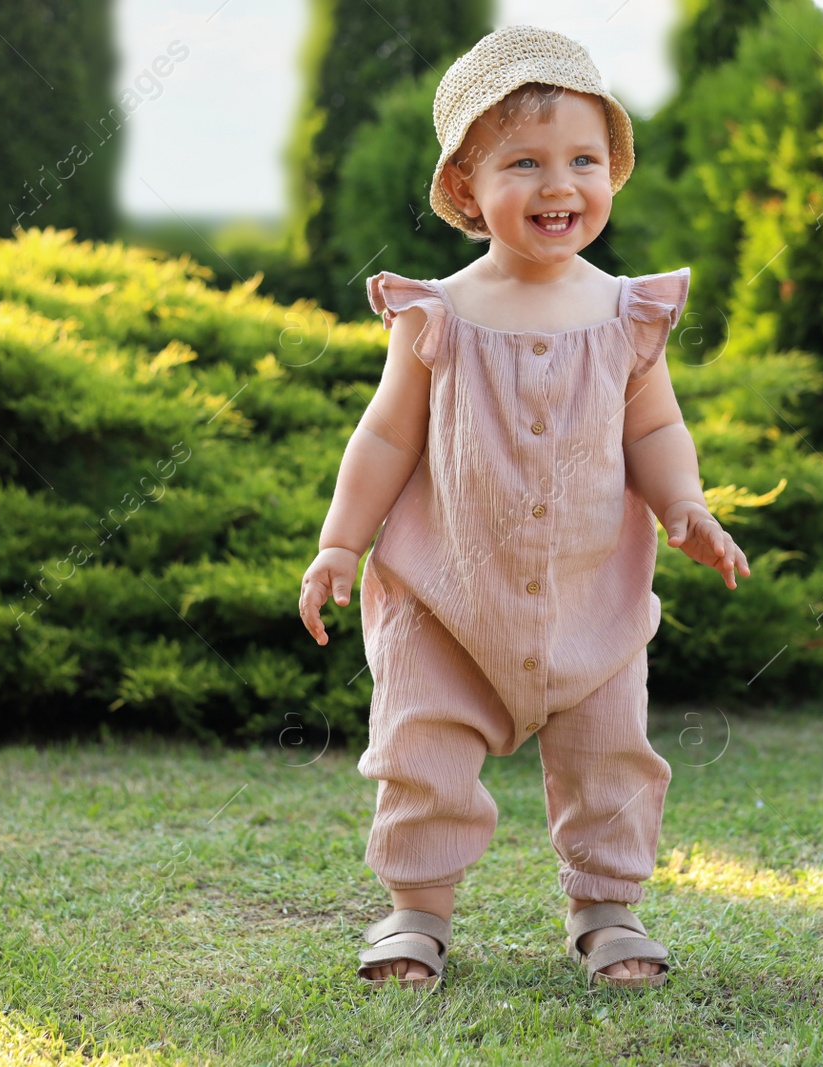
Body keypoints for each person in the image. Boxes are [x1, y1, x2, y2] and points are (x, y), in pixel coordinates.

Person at [297, 24, 750, 991]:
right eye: (526, 163)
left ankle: (608, 908)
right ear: (467, 189)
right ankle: (417, 912)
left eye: (584, 159)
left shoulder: (628, 313)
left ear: (612, 174)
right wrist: (342, 544)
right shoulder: (437, 315)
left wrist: (687, 506)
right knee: (421, 749)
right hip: (444, 593)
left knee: (609, 756)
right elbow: (384, 437)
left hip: (595, 594)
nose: (560, 185)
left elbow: (656, 431)